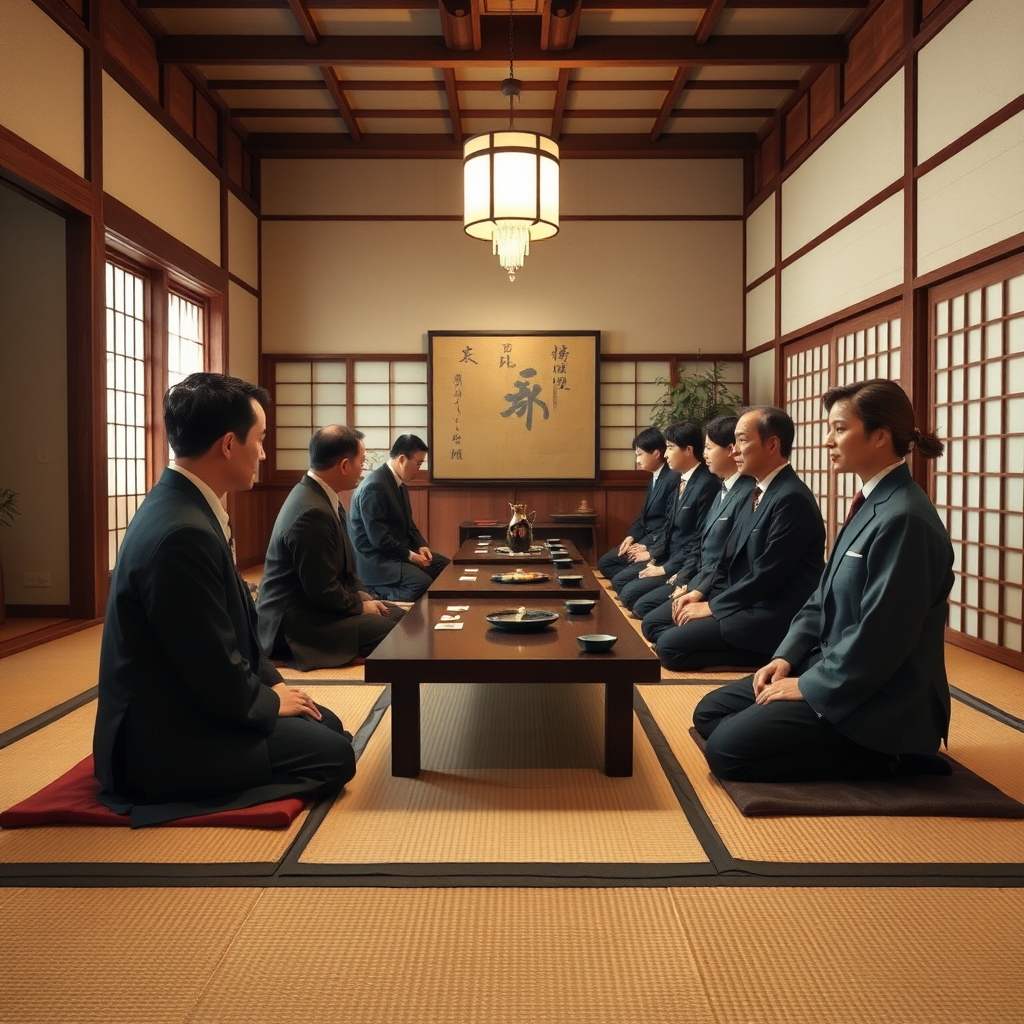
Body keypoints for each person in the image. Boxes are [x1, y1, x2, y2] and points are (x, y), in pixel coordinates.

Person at [93, 373, 354, 827]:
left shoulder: (183, 504)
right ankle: (192, 792)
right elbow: (208, 661)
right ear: (229, 444)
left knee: (325, 724)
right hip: (162, 740)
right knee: (335, 756)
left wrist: (272, 685)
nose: (264, 453)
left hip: (190, 701)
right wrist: (269, 704)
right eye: (261, 439)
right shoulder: (182, 532)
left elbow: (230, 632)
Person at [693, 380, 955, 782]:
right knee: (710, 714)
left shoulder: (904, 517)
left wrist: (810, 685)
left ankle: (892, 758)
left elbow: (884, 634)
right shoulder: (874, 501)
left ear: (880, 435)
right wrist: (786, 657)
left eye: (839, 428)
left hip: (878, 693)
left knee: (727, 751)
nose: (827, 440)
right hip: (833, 663)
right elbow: (821, 597)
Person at [653, 406, 825, 672]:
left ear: (772, 444)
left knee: (668, 648)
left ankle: (768, 656)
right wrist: (702, 594)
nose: (733, 451)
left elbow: (767, 575)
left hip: (770, 610)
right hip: (742, 600)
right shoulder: (758, 491)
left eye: (742, 441)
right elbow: (727, 556)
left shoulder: (791, 498)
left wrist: (713, 607)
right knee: (660, 629)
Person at [256, 425, 404, 671]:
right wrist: (360, 606)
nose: (364, 469)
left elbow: (346, 570)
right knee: (392, 632)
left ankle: (353, 649)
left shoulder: (323, 496)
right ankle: (340, 653)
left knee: (399, 617)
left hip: (320, 606)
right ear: (344, 465)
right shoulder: (310, 511)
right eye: (361, 462)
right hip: (297, 622)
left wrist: (362, 596)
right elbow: (322, 590)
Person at [633, 415, 755, 628]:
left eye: (708, 448)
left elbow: (727, 557)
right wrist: (682, 576)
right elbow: (698, 540)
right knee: (646, 615)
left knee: (654, 627)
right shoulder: (723, 487)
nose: (704, 454)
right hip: (695, 573)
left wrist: (691, 584)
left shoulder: (736, 490)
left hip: (715, 586)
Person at [610, 421, 719, 610]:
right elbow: (667, 525)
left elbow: (697, 539)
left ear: (688, 450)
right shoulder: (682, 477)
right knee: (622, 585)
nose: (666, 454)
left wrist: (666, 568)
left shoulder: (706, 484)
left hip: (683, 563)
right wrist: (652, 553)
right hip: (668, 556)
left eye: (670, 447)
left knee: (633, 599)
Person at [347, 433, 450, 602]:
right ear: (402, 459)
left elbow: (410, 525)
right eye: (418, 464)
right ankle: (376, 593)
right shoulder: (374, 487)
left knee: (446, 568)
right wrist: (411, 556)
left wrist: (422, 545)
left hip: (397, 552)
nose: (419, 469)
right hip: (377, 559)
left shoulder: (397, 483)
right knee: (422, 585)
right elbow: (379, 539)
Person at [596, 427, 679, 579]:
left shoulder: (672, 479)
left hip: (657, 541)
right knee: (605, 563)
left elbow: (668, 523)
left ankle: (630, 578)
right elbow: (644, 516)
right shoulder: (655, 477)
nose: (638, 461)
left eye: (640, 454)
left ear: (656, 453)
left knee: (620, 576)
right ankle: (631, 576)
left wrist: (646, 546)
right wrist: (631, 538)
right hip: (644, 537)